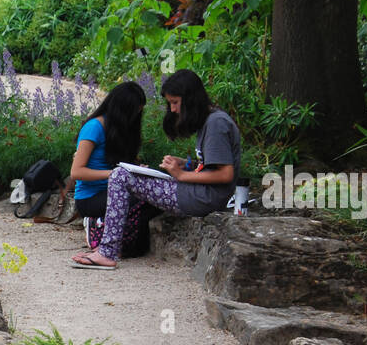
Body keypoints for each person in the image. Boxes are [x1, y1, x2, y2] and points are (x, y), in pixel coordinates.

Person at [72, 69, 240, 270]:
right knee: (126, 177)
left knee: (120, 176)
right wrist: (186, 165)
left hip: (201, 198)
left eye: (175, 103)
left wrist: (182, 175)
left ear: (190, 99)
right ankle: (112, 242)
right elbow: (211, 167)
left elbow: (225, 173)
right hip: (198, 194)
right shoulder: (211, 121)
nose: (173, 110)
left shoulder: (215, 123)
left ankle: (106, 252)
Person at [49, 81, 145, 235]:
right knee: (142, 199)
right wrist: (115, 174)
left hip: (115, 190)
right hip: (91, 197)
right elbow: (77, 172)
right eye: (133, 113)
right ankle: (96, 225)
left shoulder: (122, 131)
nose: (135, 118)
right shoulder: (94, 127)